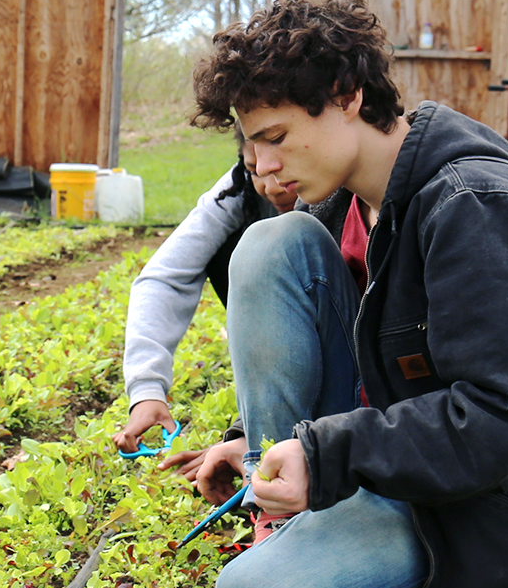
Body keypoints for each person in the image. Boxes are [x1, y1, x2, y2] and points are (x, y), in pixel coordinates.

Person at [186, 0, 508, 588]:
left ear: (347, 95)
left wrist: (330, 455)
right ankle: (280, 517)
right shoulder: (351, 199)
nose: (261, 165)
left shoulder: (475, 206)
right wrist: (264, 441)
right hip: (413, 475)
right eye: (252, 145)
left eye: (274, 138)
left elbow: (506, 420)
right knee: (272, 247)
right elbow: (371, 367)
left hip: (490, 513)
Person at [116, 133, 353, 506]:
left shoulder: (347, 183)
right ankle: (267, 458)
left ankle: (286, 461)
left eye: (279, 157)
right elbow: (164, 277)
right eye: (253, 169)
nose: (271, 184)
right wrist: (147, 390)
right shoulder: (237, 192)